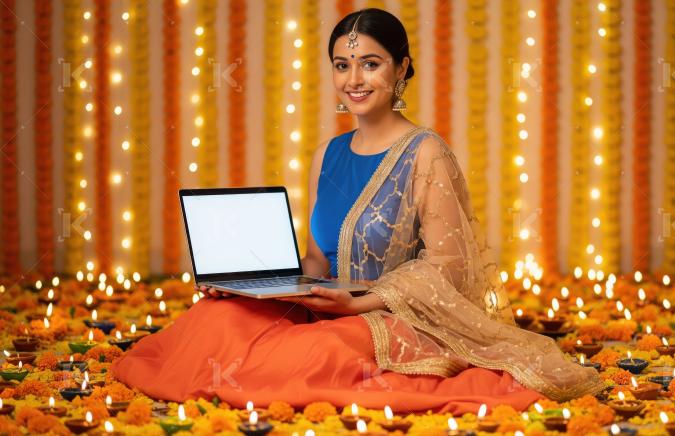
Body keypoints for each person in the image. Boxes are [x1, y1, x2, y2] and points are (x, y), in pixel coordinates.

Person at [111, 8, 602, 414]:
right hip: (326, 305)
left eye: (371, 63)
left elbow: (449, 269)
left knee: (317, 351)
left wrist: (358, 304)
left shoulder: (425, 152)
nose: (355, 79)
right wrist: (247, 280)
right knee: (214, 318)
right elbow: (319, 264)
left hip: (391, 317)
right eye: (342, 65)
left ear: (402, 69)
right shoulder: (327, 153)